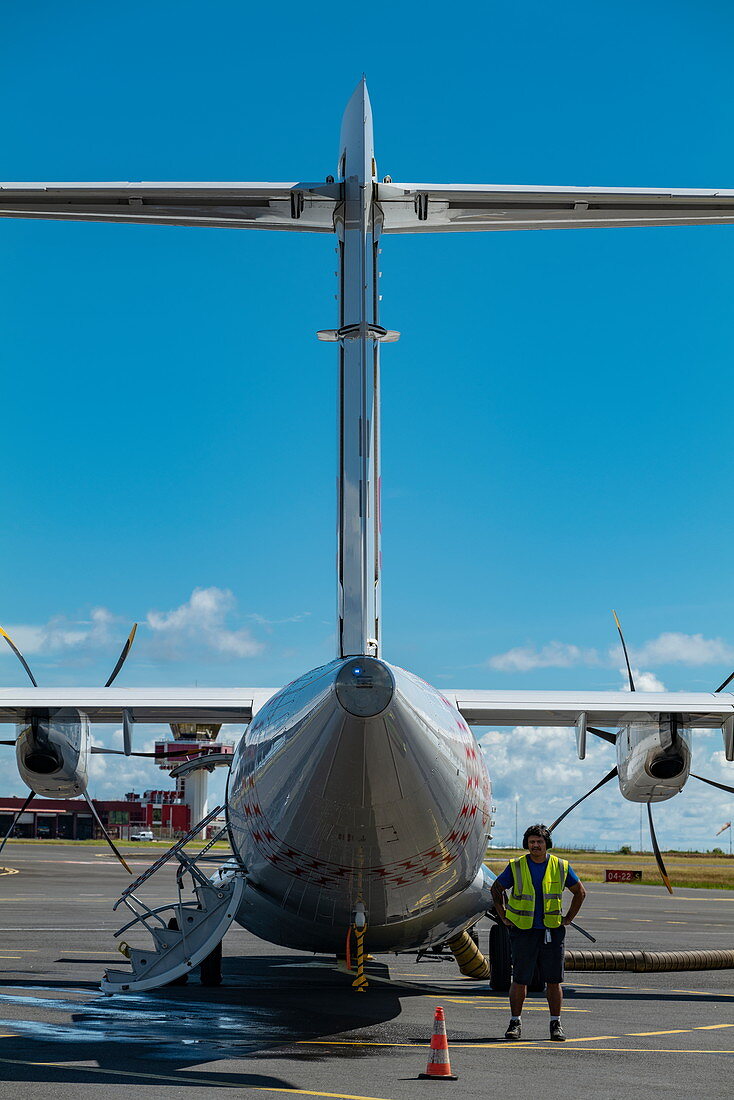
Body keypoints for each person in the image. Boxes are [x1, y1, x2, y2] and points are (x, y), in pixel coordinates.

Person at [490, 823, 586, 1042]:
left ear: (546, 844)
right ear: (527, 844)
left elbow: (580, 892)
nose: (535, 845)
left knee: (554, 980)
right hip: (523, 931)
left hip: (552, 931)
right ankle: (515, 1022)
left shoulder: (561, 866)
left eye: (539, 842)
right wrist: (503, 915)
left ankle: (556, 1023)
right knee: (520, 979)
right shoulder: (515, 866)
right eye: (532, 842)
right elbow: (496, 889)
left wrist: (569, 918)